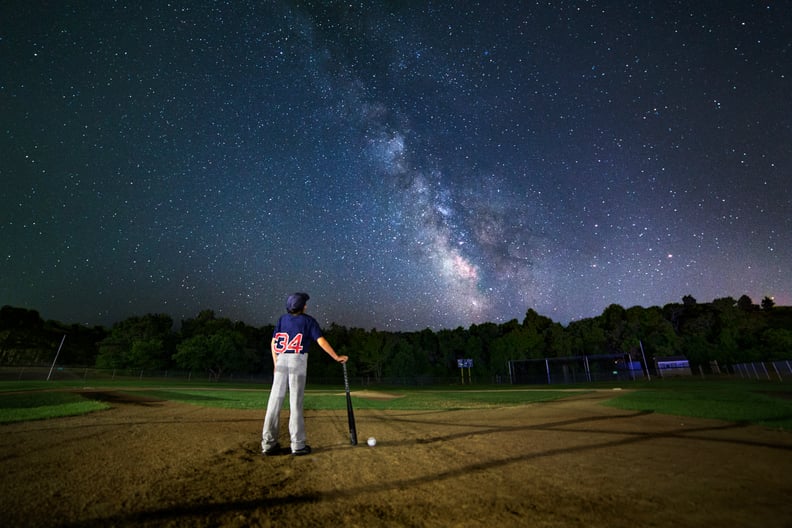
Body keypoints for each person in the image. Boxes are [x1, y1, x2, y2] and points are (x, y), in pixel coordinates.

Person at [261, 292, 348, 456]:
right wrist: (336, 357)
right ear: (301, 307)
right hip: (297, 360)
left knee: (274, 402)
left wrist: (275, 363)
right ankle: (298, 445)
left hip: (280, 360)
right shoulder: (308, 321)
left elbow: (273, 343)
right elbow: (321, 341)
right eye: (305, 304)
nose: (306, 306)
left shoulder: (282, 319)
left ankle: (268, 444)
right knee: (296, 403)